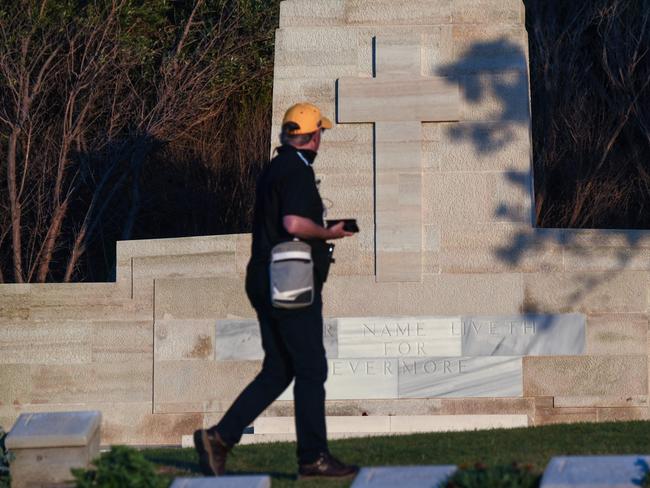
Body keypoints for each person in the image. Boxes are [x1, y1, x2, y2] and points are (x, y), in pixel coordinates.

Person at [193, 102, 359, 480]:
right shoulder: (297, 171)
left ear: (288, 134)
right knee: (311, 366)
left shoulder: (276, 168)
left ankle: (219, 438)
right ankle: (313, 458)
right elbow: (294, 222)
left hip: (264, 277)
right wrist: (329, 233)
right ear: (314, 136)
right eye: (321, 133)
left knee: (280, 368)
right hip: (288, 280)